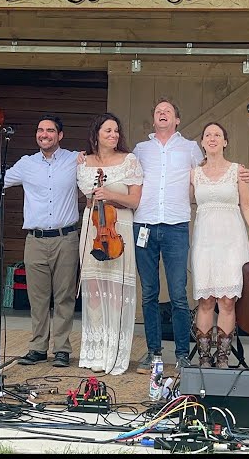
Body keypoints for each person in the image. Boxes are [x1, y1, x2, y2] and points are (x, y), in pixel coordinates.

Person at [132, 98, 249, 374]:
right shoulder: (140, 150)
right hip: (145, 224)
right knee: (149, 293)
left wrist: (240, 173)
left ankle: (184, 355)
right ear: (153, 119)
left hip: (176, 225)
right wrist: (85, 157)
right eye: (158, 110)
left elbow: (214, 172)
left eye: (168, 111)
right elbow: (120, 168)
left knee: (178, 295)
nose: (162, 113)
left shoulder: (189, 149)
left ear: (177, 120)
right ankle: (153, 353)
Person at [0, 114, 79, 368]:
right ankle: (38, 347)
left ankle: (62, 349)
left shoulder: (76, 159)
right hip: (35, 239)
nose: (45, 134)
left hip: (66, 238)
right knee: (38, 297)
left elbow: (101, 167)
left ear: (60, 135)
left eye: (50, 130)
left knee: (64, 296)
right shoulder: (27, 163)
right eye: (40, 130)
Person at [190, 122, 249, 368]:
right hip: (204, 240)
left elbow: (247, 205)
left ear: (225, 142)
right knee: (206, 300)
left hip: (232, 240)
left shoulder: (238, 171)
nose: (213, 138)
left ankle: (223, 356)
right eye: (208, 135)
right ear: (202, 143)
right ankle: (204, 356)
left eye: (218, 135)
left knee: (227, 300)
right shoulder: (193, 173)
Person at [77, 112, 143, 375]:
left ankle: (114, 351)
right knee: (93, 288)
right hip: (93, 225)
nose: (114, 135)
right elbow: (88, 198)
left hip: (119, 226)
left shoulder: (129, 161)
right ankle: (96, 350)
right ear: (96, 134)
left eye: (116, 131)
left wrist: (111, 194)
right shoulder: (83, 162)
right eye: (108, 131)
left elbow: (135, 201)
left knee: (116, 291)